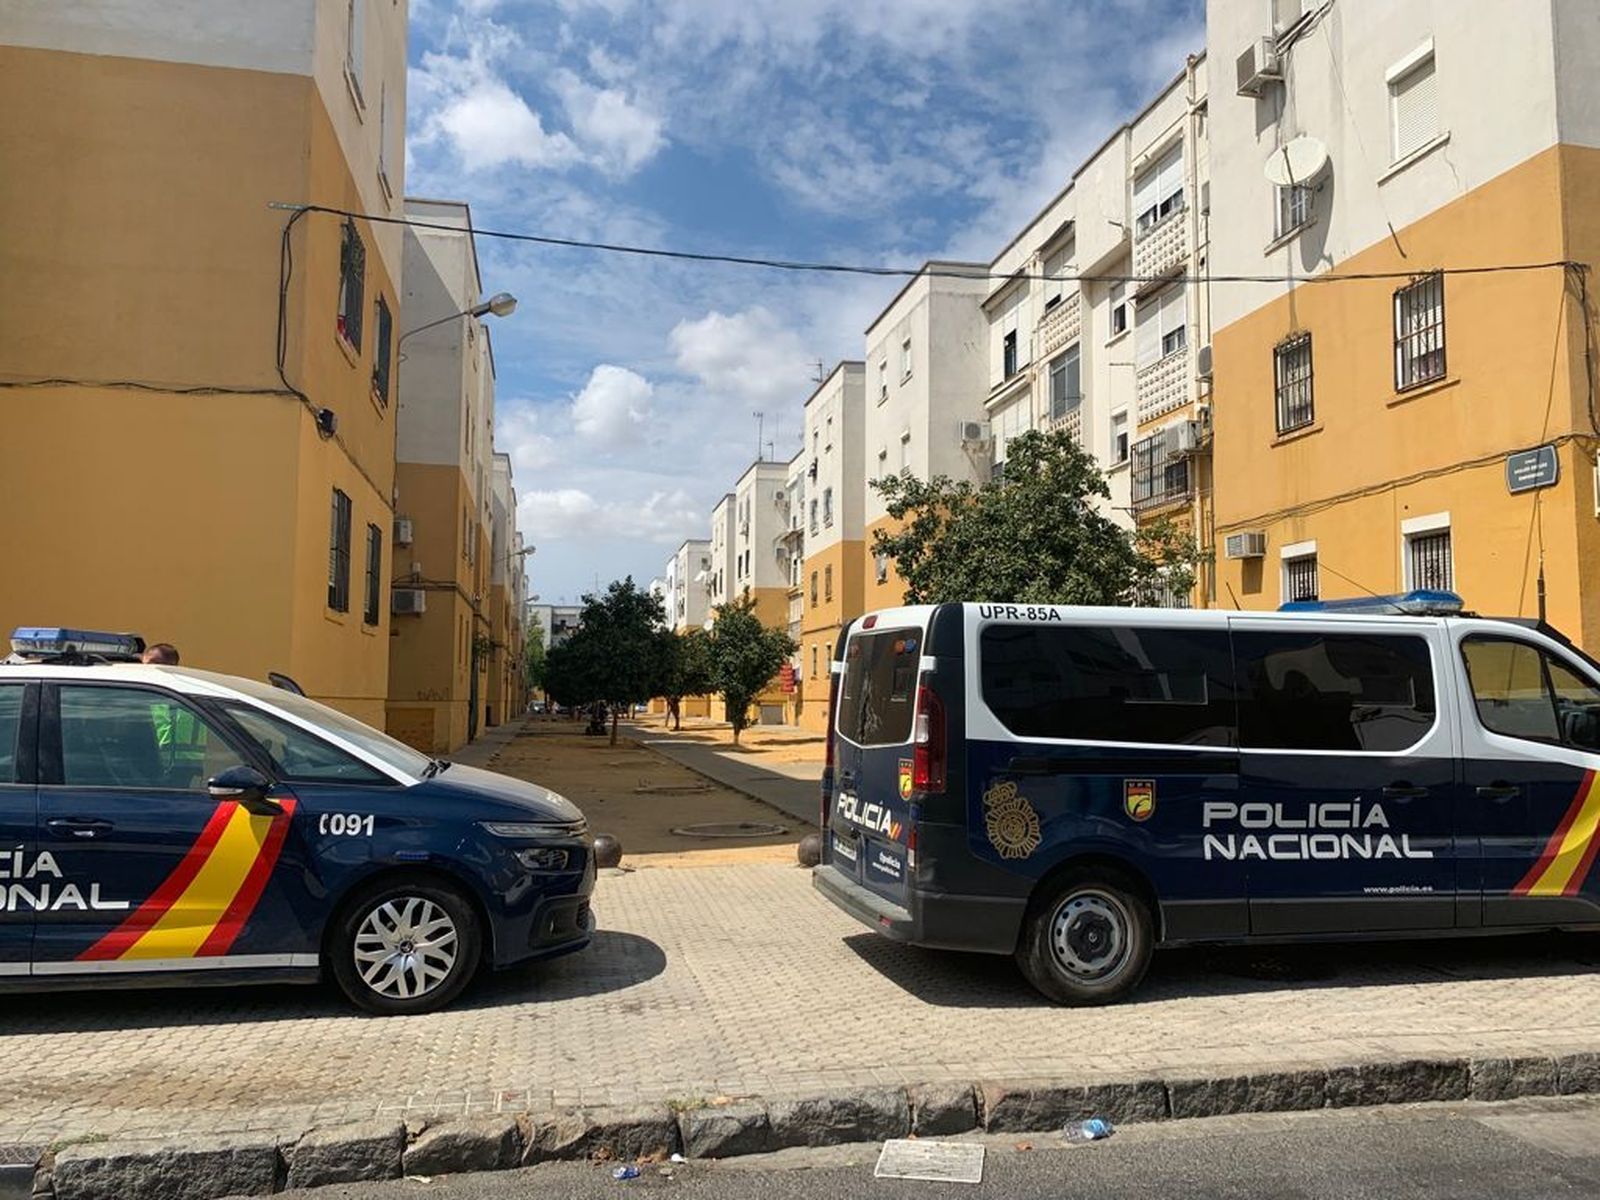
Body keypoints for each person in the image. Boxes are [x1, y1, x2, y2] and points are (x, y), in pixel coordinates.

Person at [140, 644, 207, 783]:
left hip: (170, 766)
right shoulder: (188, 693)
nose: (144, 669)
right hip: (174, 765)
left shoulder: (167, 694)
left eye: (149, 665)